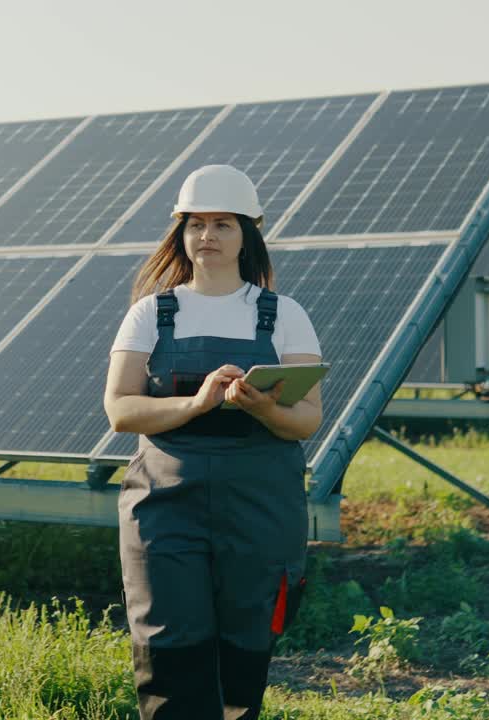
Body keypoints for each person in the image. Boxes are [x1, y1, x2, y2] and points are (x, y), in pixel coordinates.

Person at [104, 165, 324, 719]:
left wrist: (266, 406)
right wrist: (196, 404)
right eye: (196, 224)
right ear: (180, 232)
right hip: (166, 502)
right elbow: (120, 408)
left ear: (249, 232)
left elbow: (308, 421)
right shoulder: (151, 315)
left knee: (246, 646)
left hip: (260, 505)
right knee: (169, 643)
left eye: (223, 224)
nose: (208, 236)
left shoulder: (285, 316)